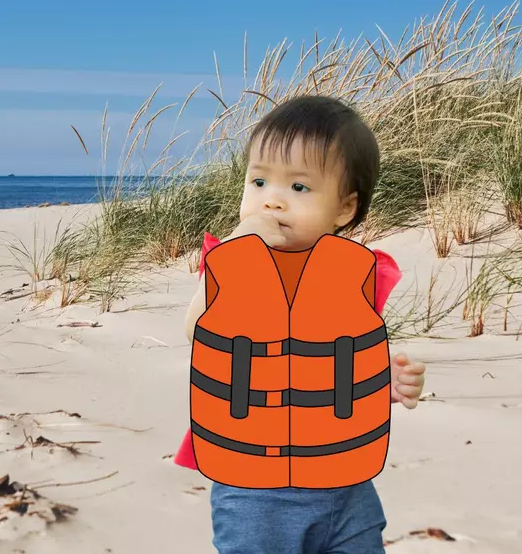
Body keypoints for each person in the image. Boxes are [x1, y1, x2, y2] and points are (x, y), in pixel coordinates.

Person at [177, 95, 427, 554]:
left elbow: (346, 351)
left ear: (344, 209)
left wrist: (384, 377)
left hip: (345, 487)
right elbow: (198, 333)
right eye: (258, 181)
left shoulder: (357, 272)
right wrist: (238, 249)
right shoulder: (228, 263)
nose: (271, 199)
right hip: (253, 490)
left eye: (299, 188)